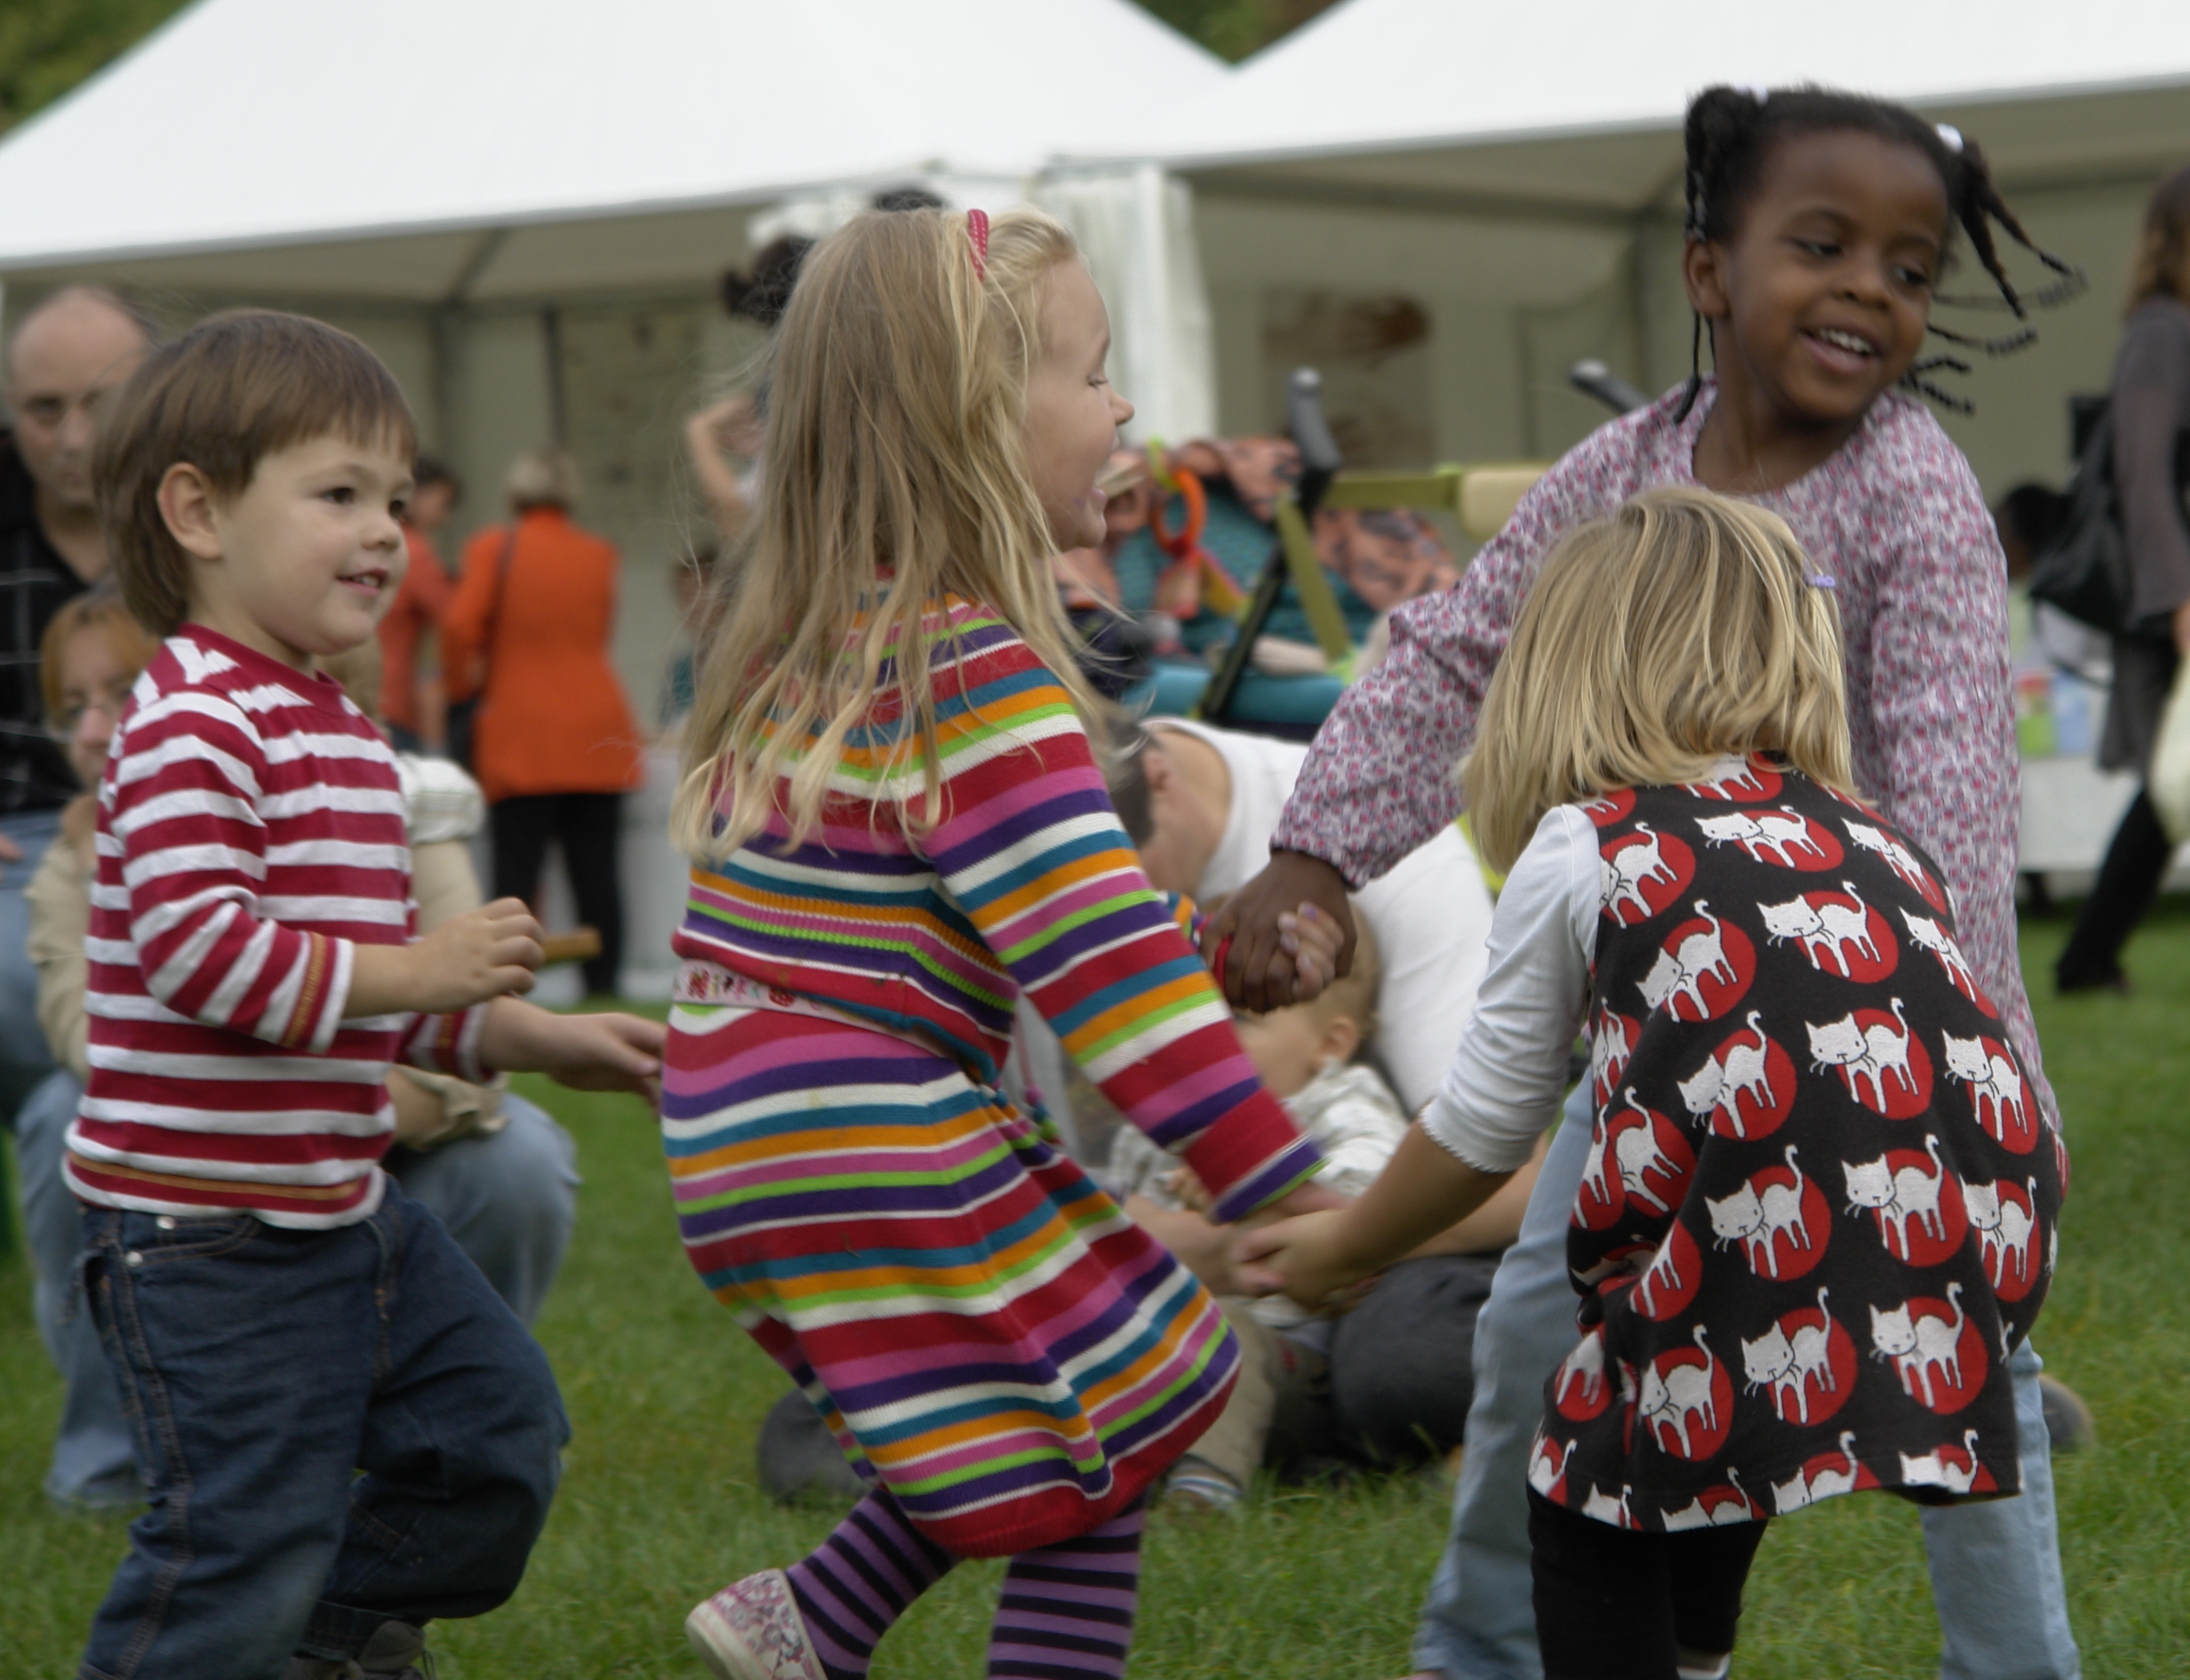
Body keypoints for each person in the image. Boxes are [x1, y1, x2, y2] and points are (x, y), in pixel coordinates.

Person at [1208, 85, 2084, 1680]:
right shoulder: (1616, 472)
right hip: (1664, 1056)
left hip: (1869, 1036)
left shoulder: (1914, 489)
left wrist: (1995, 1080)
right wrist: (1309, 854)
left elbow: (1956, 797)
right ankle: (1477, 1650)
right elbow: (1454, 653)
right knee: (1535, 1342)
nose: (1866, 291)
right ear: (1705, 271)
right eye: (1819, 246)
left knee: (1989, 1384)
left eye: (1906, 269)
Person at [661, 205, 1340, 1680]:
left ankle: (815, 1618)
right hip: (875, 1127)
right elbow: (1103, 982)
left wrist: (1191, 937)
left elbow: (982, 918)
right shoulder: (977, 672)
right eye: (1092, 373)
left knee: (1057, 1396)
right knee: (1142, 1399)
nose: (1124, 409)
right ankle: (839, 1618)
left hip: (747, 1135)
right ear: (975, 413)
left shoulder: (814, 655)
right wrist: (1275, 1179)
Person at [1242, 487, 2061, 1680]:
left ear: (1558, 668)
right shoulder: (1870, 833)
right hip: (1973, 1220)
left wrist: (1344, 1246)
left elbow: (1482, 1130)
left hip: (1765, 1226)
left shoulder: (1592, 843)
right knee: (1710, 1417)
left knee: (1589, 1496)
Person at [73, 309, 665, 1680]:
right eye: (339, 494)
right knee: (240, 1536)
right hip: (206, 1236)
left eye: (395, 499)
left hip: (344, 1207)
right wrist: (422, 970)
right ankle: (256, 1633)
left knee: (495, 1442)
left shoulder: (336, 724)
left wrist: (533, 1034)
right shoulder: (189, 720)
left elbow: (369, 986)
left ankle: (324, 1643)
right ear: (199, 512)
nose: (387, 531)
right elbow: (204, 954)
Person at [16, 593, 580, 1512]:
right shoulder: (79, 862)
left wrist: (550, 1040)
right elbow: (91, 1036)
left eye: (119, 691)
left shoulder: (379, 796)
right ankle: (112, 1456)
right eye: (69, 705)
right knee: (58, 1118)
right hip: (182, 1181)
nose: (93, 727)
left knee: (521, 1154)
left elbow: (455, 1016)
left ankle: (421, 1419)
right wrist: (317, 1061)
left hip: (362, 1156)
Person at [0, 288, 152, 1125]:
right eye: (44, 410)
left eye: (103, 403)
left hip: (194, 819)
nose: (76, 438)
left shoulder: (207, 510)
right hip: (18, 842)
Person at [2055, 164, 2190, 993]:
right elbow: (2142, 472)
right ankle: (2084, 953)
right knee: (2168, 782)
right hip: (2169, 594)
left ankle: (2087, 954)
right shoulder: (2160, 331)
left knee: (2168, 784)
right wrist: (2176, 596)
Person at [442, 447, 644, 997]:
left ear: (514, 496)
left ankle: (510, 988)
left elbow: (459, 627)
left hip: (522, 731)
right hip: (599, 729)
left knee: (517, 875)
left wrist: (464, 689)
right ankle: (603, 986)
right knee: (597, 875)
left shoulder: (491, 548)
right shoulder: (600, 554)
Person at [375, 453, 461, 753]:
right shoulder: (414, 551)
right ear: (419, 495)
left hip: (369, 692)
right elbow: (455, 617)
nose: (445, 517)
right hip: (394, 703)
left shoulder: (384, 543)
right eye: (444, 503)